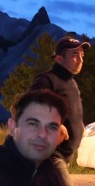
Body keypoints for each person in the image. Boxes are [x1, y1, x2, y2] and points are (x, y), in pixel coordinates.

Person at [30, 36, 90, 164]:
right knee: (65, 185)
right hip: (50, 156)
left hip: (64, 157)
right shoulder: (47, 80)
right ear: (59, 58)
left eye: (82, 56)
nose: (80, 60)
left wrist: (80, 126)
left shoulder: (71, 82)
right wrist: (54, 124)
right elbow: (30, 108)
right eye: (75, 55)